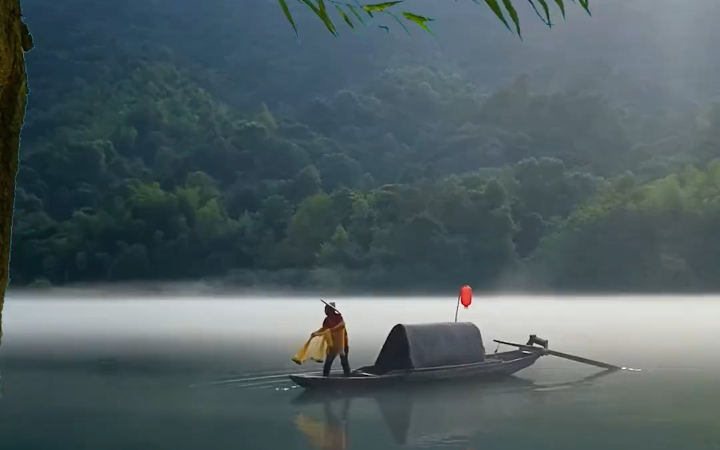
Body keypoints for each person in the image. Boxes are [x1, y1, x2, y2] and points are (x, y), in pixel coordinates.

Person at [312, 301, 351, 377]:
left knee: (344, 362)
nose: (325, 311)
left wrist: (331, 330)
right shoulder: (327, 320)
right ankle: (325, 377)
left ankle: (348, 377)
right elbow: (324, 329)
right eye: (325, 309)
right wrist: (315, 333)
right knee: (328, 362)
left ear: (331, 310)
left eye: (326, 309)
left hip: (342, 344)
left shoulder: (338, 317)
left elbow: (341, 325)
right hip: (333, 344)